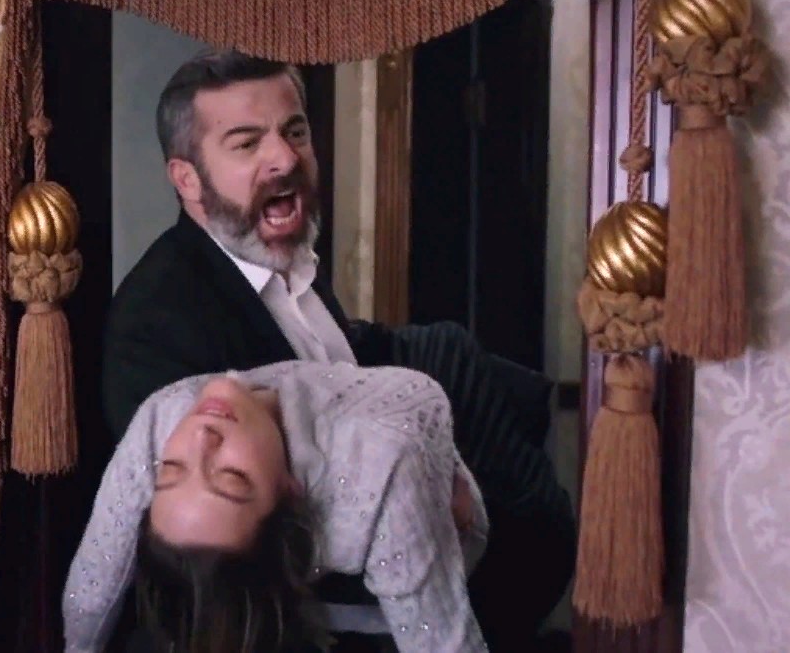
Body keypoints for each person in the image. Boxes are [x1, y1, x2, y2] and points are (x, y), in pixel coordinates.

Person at [101, 49, 575, 650]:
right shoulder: (154, 323)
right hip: (319, 611)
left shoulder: (278, 251)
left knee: (476, 388)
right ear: (187, 179)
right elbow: (206, 543)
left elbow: (337, 368)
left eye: (295, 131)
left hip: (434, 505)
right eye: (247, 143)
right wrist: (427, 506)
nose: (285, 158)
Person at [65, 361, 490, 653]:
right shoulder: (378, 466)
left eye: (171, 469)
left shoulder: (166, 418)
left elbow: (94, 582)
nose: (201, 436)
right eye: (231, 477)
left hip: (446, 412)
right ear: (289, 491)